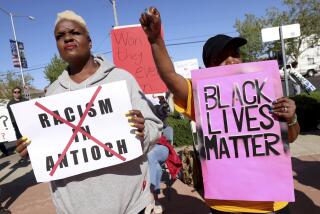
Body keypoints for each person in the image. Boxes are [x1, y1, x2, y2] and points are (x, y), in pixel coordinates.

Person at [140, 7, 300, 214]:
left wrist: (292, 118)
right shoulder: (202, 97)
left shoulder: (265, 90)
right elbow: (170, 76)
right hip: (225, 205)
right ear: (209, 68)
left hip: (273, 203)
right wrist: (155, 41)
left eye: (235, 54)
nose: (232, 61)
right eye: (222, 58)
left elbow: (291, 137)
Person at [15, 10, 163, 214]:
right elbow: (50, 151)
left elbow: (154, 127)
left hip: (132, 205)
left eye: (74, 32)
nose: (67, 37)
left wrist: (143, 130)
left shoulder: (121, 79)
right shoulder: (50, 95)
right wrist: (32, 150)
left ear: (90, 41)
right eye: (60, 36)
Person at [145, 97, 181, 214]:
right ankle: (152, 200)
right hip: (146, 148)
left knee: (151, 155)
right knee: (150, 162)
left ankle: (153, 196)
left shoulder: (156, 112)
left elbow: (164, 111)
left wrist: (162, 104)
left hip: (162, 147)